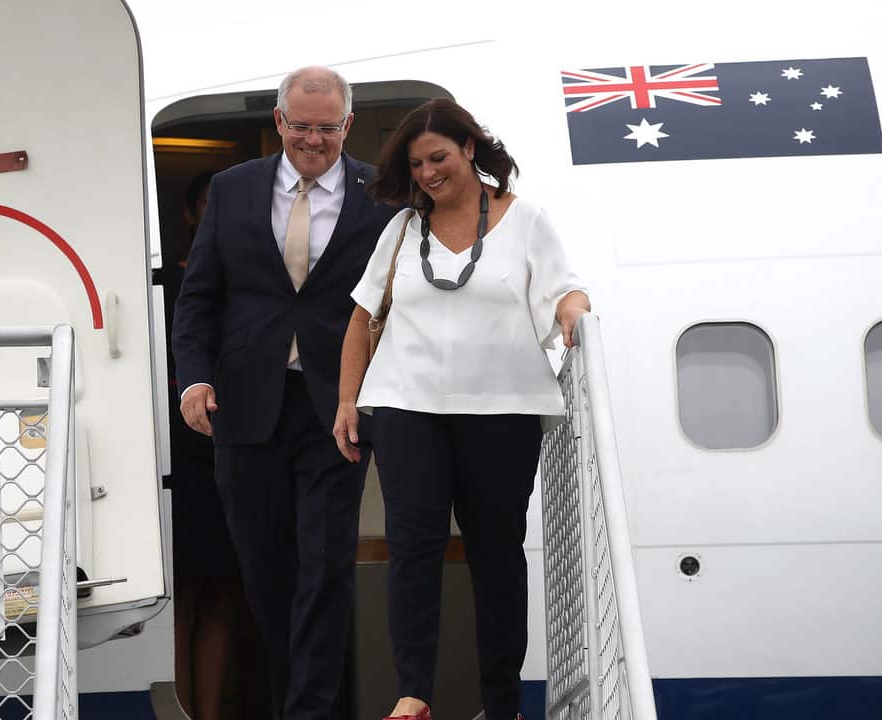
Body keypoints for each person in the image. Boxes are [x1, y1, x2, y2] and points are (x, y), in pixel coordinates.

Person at [332, 98, 590, 720]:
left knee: (496, 553)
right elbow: (363, 317)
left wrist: (576, 313)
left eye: (439, 157)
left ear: (470, 148)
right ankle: (413, 691)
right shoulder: (401, 231)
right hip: (405, 407)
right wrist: (347, 400)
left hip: (502, 410)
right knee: (413, 547)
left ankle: (502, 702)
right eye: (417, 163)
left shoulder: (526, 221)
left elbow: (563, 288)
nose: (427, 173)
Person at [172, 66, 398, 719]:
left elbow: (398, 302)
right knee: (267, 575)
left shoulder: (379, 196)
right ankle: (293, 701)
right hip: (245, 410)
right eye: (301, 126)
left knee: (324, 569)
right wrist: (196, 378)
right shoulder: (232, 188)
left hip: (338, 408)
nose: (313, 140)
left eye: (327, 128)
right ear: (279, 122)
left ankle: (309, 712)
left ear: (347, 126)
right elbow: (200, 302)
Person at [159, 170, 268, 720]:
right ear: (191, 216)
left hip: (234, 449)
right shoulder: (161, 286)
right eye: (206, 205)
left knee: (225, 596)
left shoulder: (248, 286)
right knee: (180, 600)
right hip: (174, 463)